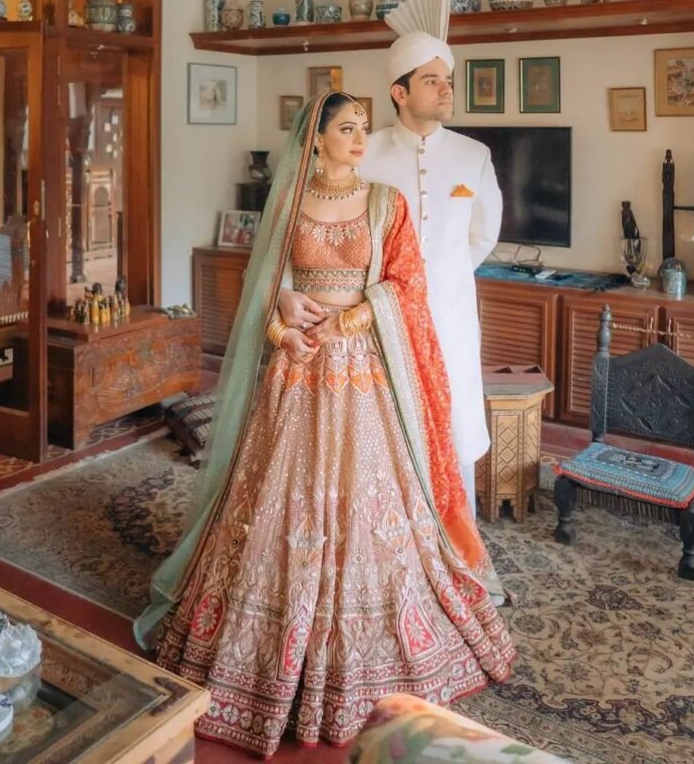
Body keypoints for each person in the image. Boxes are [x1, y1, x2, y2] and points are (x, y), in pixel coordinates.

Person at [135, 92, 514, 757]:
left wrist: (351, 319)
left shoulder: (385, 203)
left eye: (364, 127)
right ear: (315, 139)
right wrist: (282, 328)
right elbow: (263, 286)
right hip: (298, 370)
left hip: (363, 369)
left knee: (369, 498)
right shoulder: (287, 205)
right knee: (281, 496)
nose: (361, 138)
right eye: (347, 128)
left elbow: (406, 284)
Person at [279, 0, 502, 514]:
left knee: (451, 429)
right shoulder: (364, 150)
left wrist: (437, 279)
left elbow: (482, 237)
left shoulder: (474, 156)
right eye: (432, 81)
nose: (446, 89)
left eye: (448, 80)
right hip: (370, 324)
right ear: (400, 92)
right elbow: (312, 221)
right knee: (379, 439)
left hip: (448, 316)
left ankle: (456, 541)